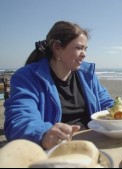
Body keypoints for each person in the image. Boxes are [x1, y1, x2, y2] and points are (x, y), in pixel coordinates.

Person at [4, 21, 114, 150]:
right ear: (57, 48)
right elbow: (18, 119)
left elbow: (106, 102)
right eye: (79, 48)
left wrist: (121, 112)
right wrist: (43, 134)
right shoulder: (28, 77)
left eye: (85, 48)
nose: (84, 53)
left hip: (93, 143)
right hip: (55, 149)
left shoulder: (87, 74)